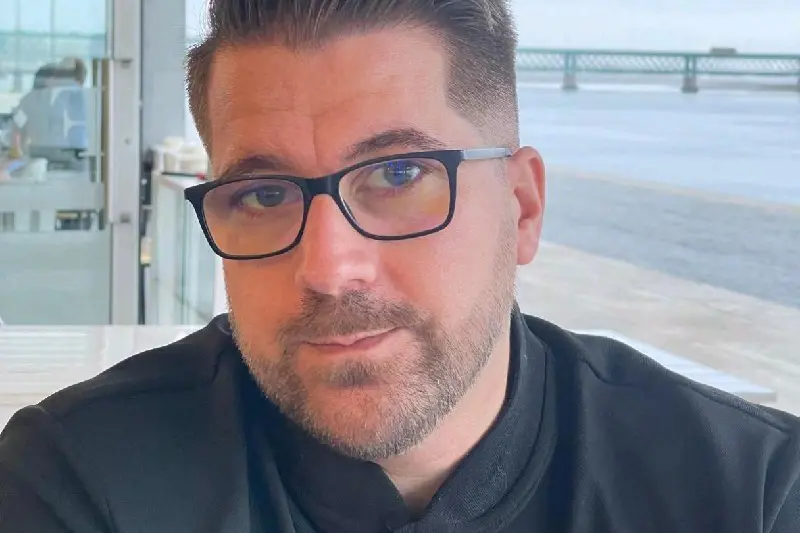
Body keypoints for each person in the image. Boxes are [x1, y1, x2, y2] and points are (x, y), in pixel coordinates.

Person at [1, 1, 798, 531]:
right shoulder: (81, 478)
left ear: (521, 208)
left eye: (398, 174)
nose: (328, 267)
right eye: (264, 193)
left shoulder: (749, 491)